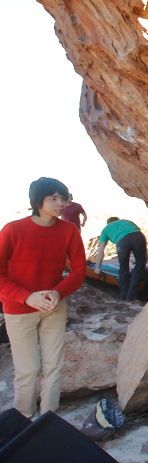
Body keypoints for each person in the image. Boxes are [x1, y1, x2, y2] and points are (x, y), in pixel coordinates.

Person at [0, 177, 86, 417]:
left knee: (53, 366)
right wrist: (27, 297)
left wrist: (59, 292)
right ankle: (24, 419)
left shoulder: (68, 230)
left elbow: (79, 270)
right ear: (39, 201)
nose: (61, 203)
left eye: (64, 198)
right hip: (18, 309)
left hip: (54, 306)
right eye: (54, 198)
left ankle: (49, 418)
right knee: (27, 369)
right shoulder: (13, 229)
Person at [95, 217, 147, 301]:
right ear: (117, 220)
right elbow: (139, 233)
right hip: (138, 237)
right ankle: (131, 297)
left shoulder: (106, 229)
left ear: (108, 223)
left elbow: (101, 250)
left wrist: (98, 267)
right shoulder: (126, 221)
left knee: (123, 268)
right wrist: (144, 257)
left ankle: (123, 297)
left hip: (122, 242)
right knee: (139, 266)